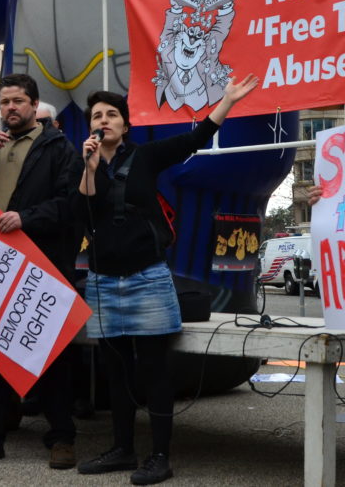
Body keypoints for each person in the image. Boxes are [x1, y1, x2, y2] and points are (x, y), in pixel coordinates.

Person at [74, 74, 258, 485]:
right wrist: (88, 167)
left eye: (110, 115)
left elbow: (195, 139)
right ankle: (122, 448)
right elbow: (83, 209)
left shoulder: (146, 156)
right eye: (96, 116)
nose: (102, 120)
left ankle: (159, 455)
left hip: (147, 278)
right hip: (104, 281)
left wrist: (226, 101)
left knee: (154, 370)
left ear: (125, 124)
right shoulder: (84, 164)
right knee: (116, 370)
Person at [0, 74, 82, 470]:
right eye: (4, 102)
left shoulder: (58, 148)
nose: (10, 108)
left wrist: (26, 217)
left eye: (18, 101)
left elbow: (69, 205)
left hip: (41, 265)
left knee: (52, 357)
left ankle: (62, 437)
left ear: (33, 105)